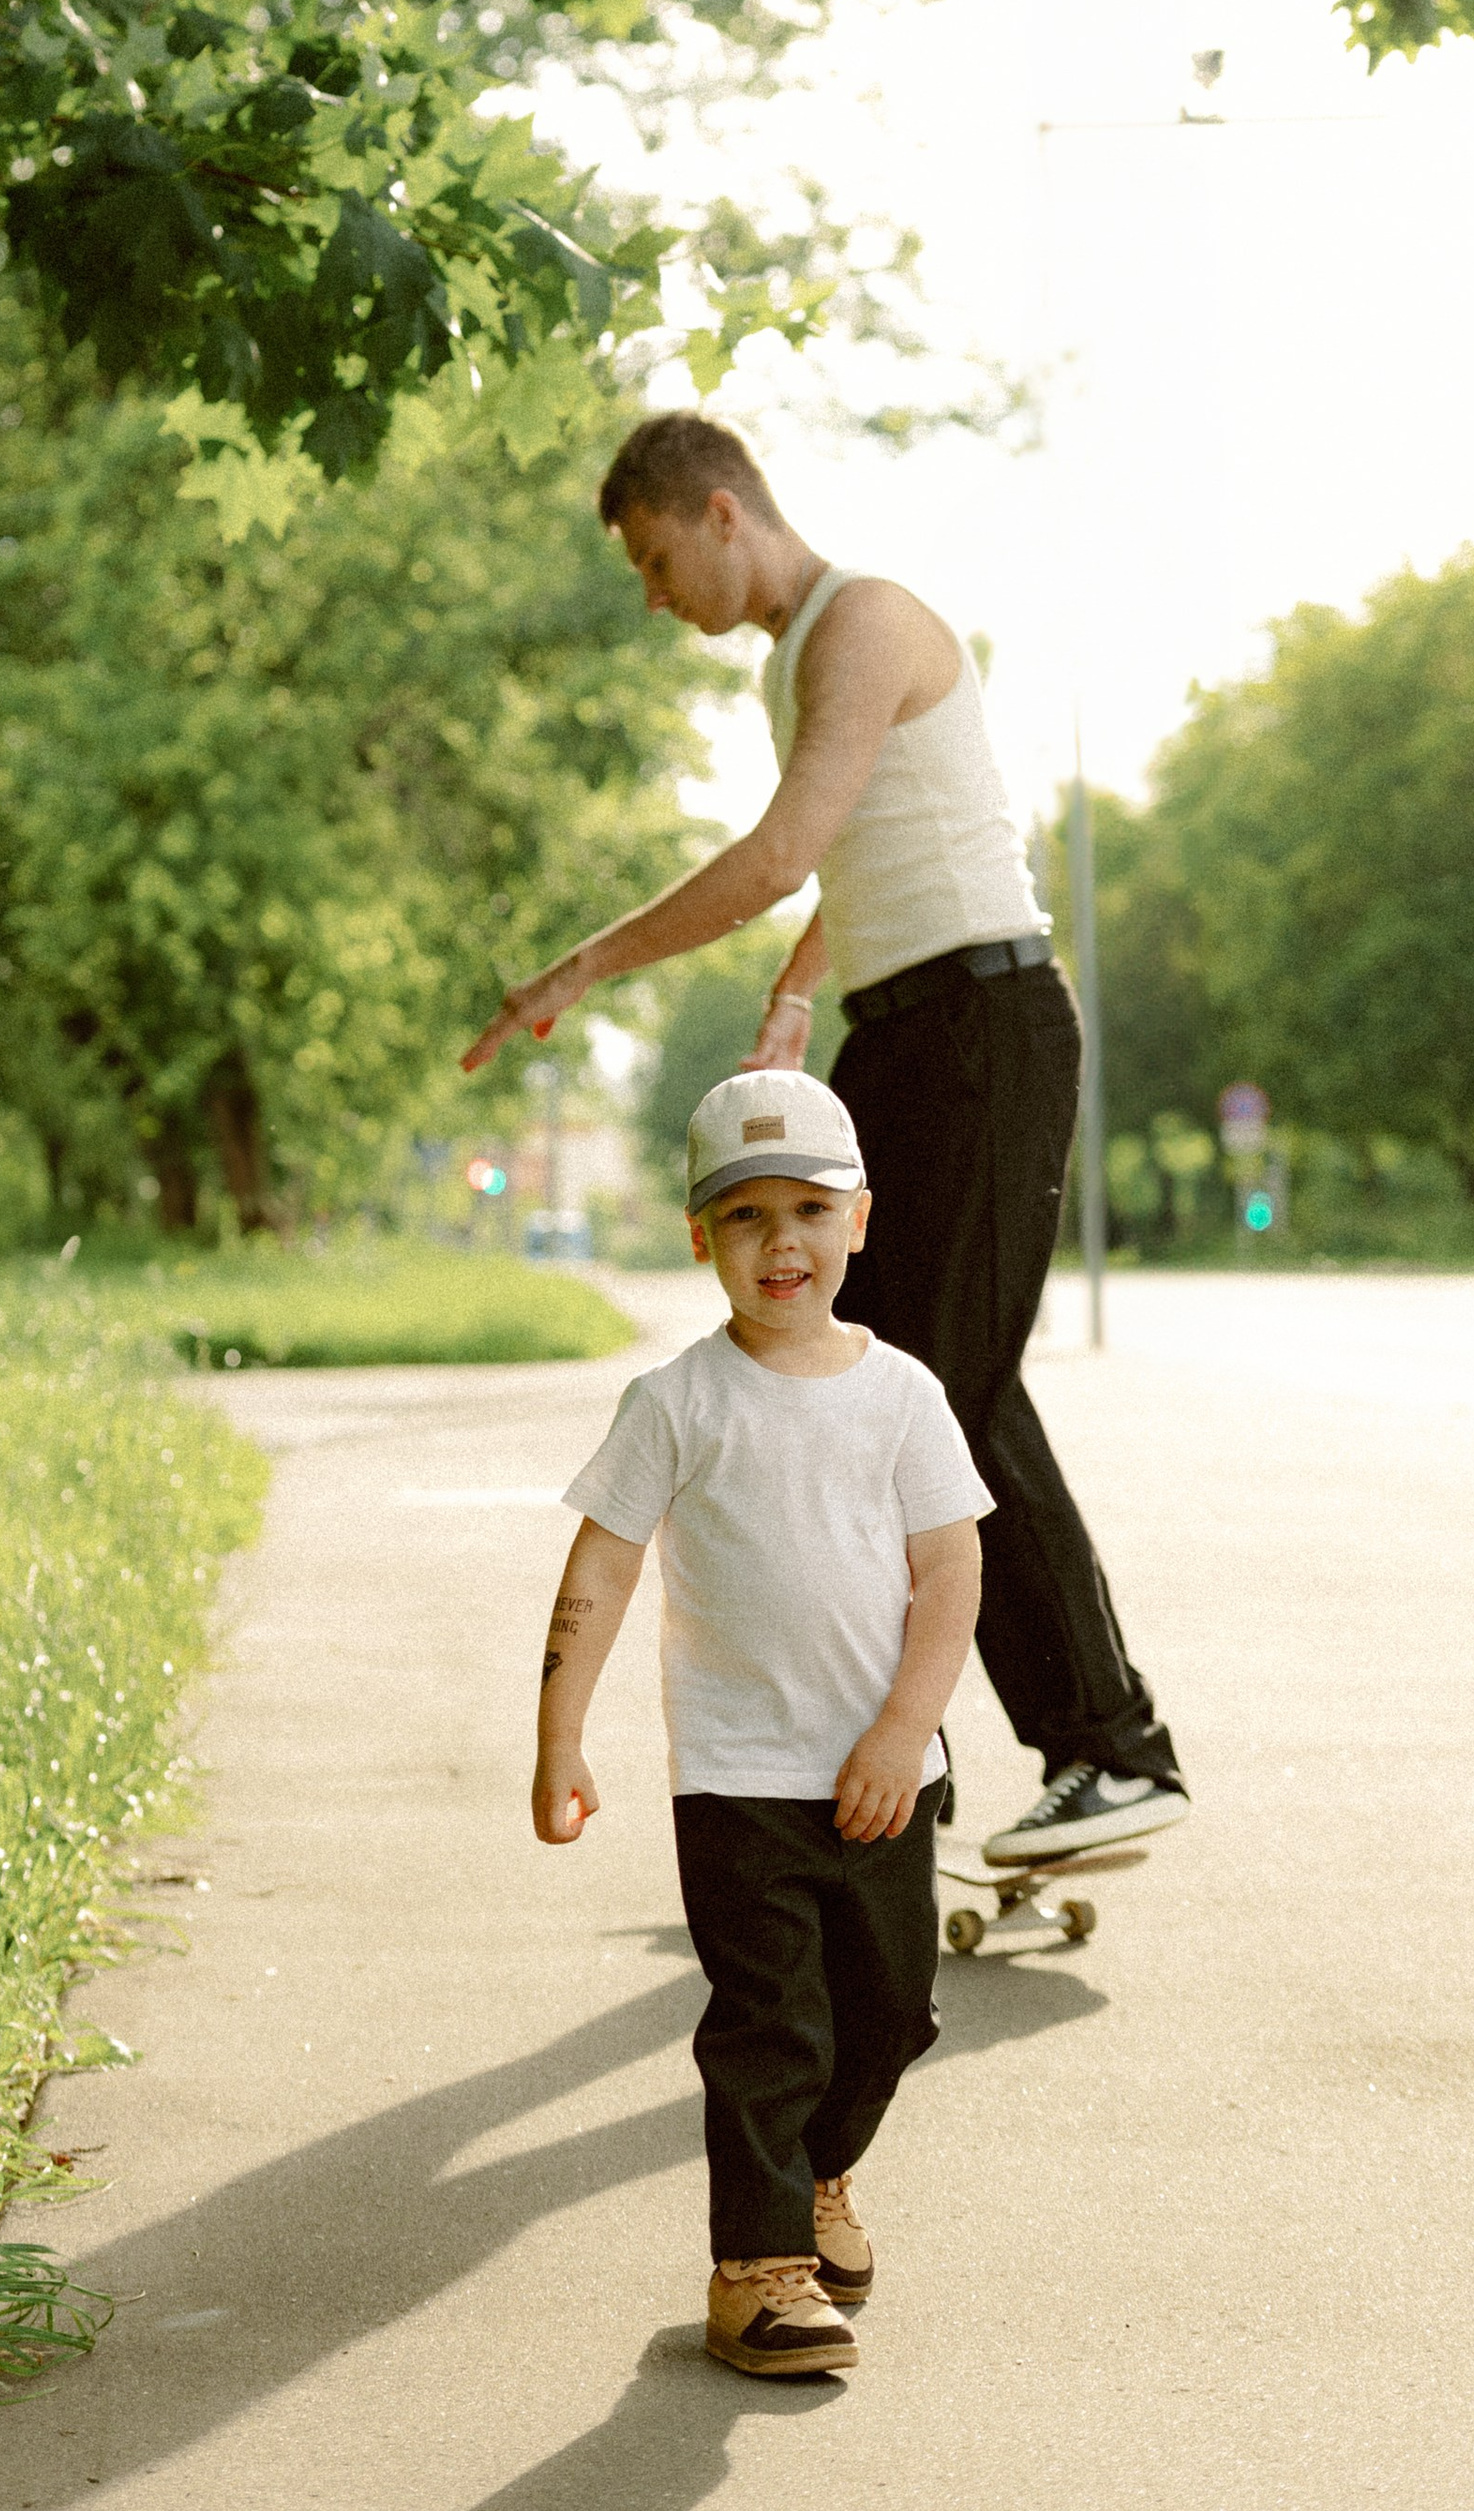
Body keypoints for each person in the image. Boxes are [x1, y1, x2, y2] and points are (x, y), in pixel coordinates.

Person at [466, 407, 1183, 1868]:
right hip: (906, 1031)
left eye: (662, 564)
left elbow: (787, 850)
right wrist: (802, 994)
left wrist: (584, 967)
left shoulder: (862, 623)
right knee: (896, 1383)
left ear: (725, 512)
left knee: (945, 1402)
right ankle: (910, 1770)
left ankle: (1112, 1750)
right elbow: (860, 863)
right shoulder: (795, 663)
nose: (660, 602)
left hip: (990, 1030)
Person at [536, 1067, 988, 2376]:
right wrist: (561, 1736)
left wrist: (907, 1728)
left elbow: (952, 1572)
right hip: (738, 1785)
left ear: (859, 1220)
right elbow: (601, 1571)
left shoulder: (902, 1395)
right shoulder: (675, 1405)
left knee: (892, 2015)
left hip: (889, 1774)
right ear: (700, 1238)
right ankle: (758, 2268)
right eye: (745, 1217)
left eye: (807, 1209)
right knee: (771, 2024)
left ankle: (819, 2177)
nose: (779, 1242)